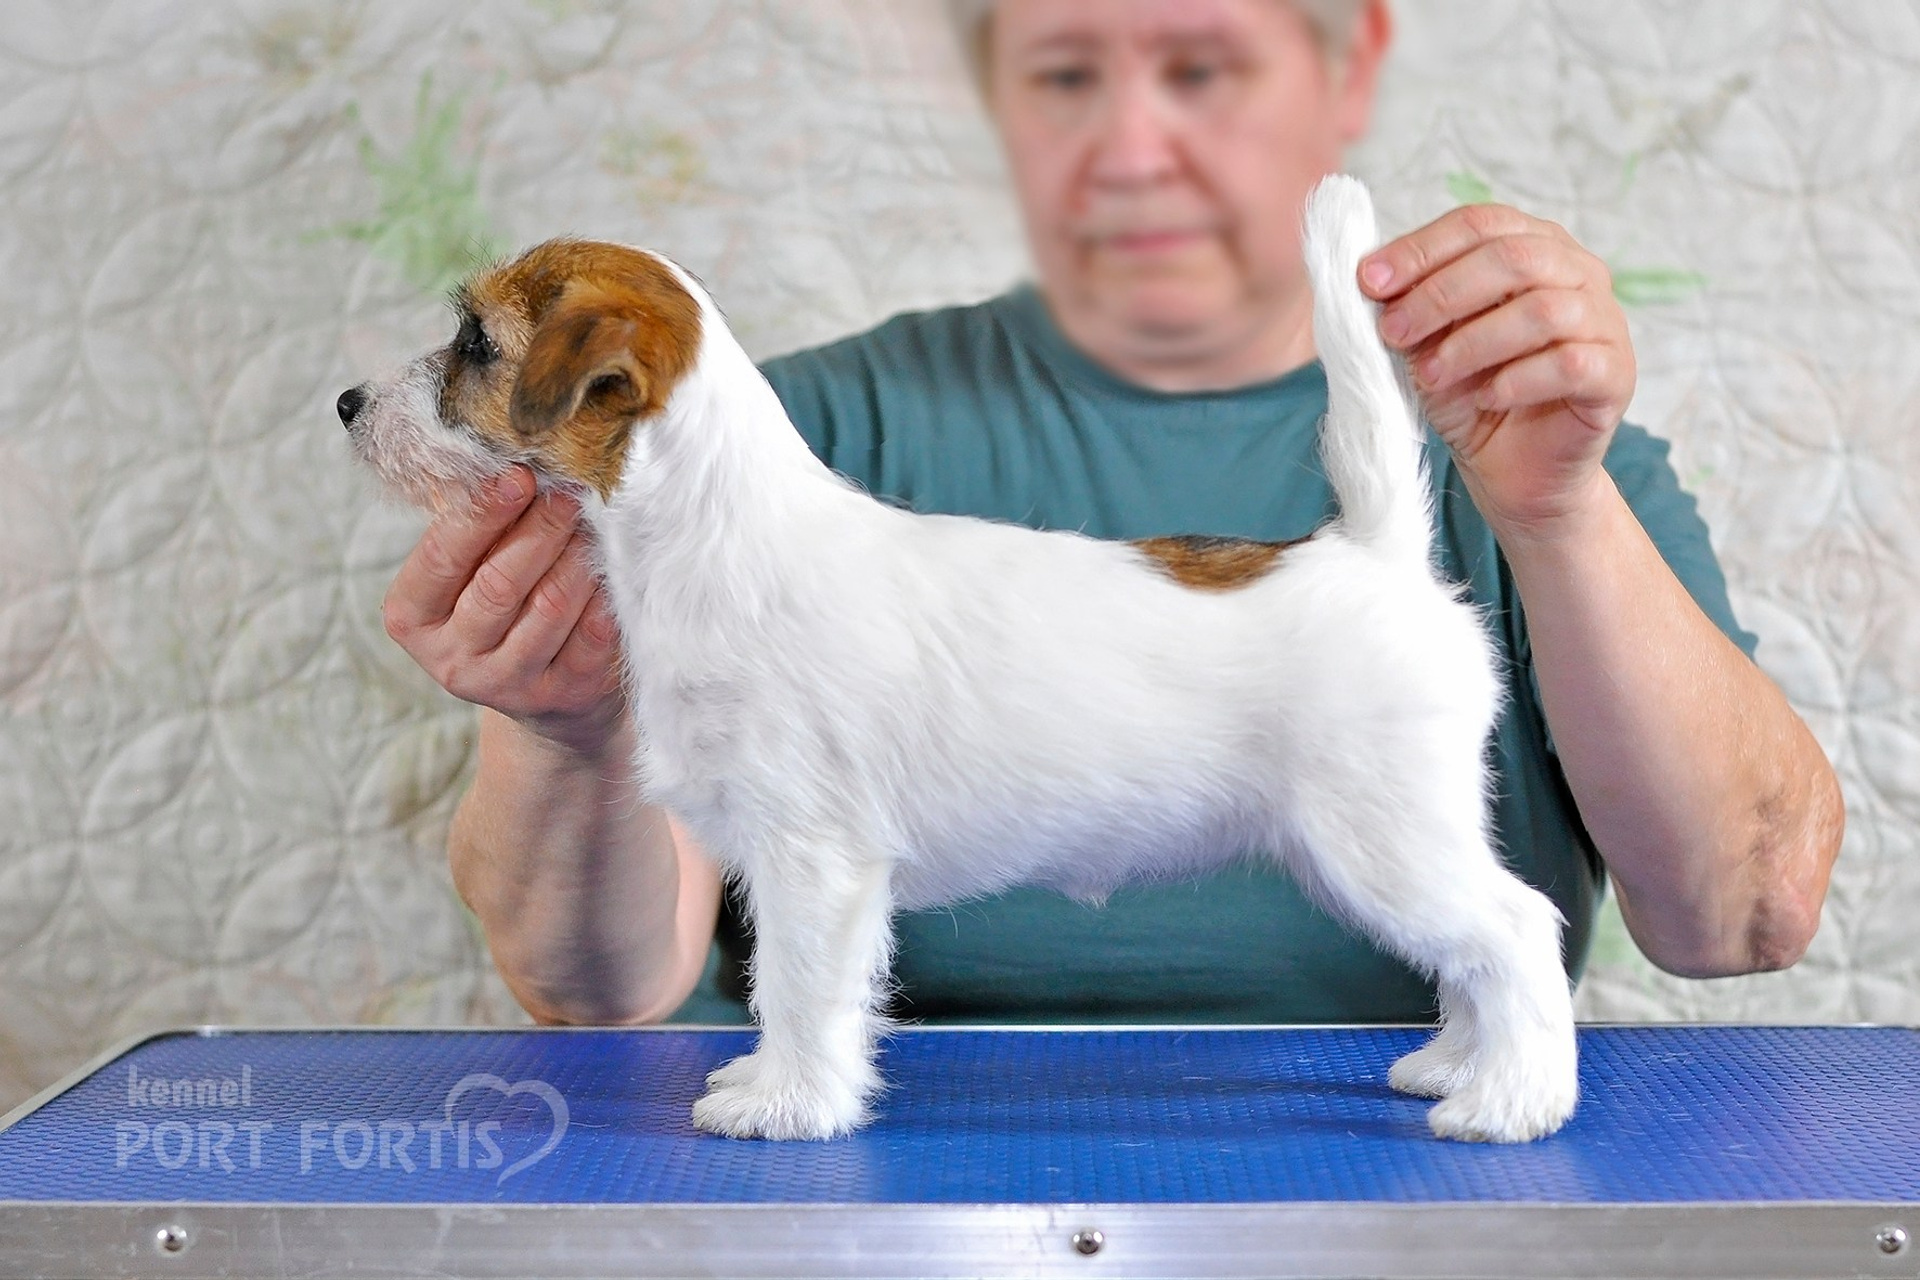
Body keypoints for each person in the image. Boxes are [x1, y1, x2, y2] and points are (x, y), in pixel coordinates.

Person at [381, 0, 1844, 1028]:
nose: (1135, 143)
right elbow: (594, 988)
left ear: (1352, 64)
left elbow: (1750, 919)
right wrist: (565, 731)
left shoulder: (1551, 454)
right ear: (994, 93)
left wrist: (1561, 515)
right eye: (1069, 71)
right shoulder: (769, 435)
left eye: (1204, 66)